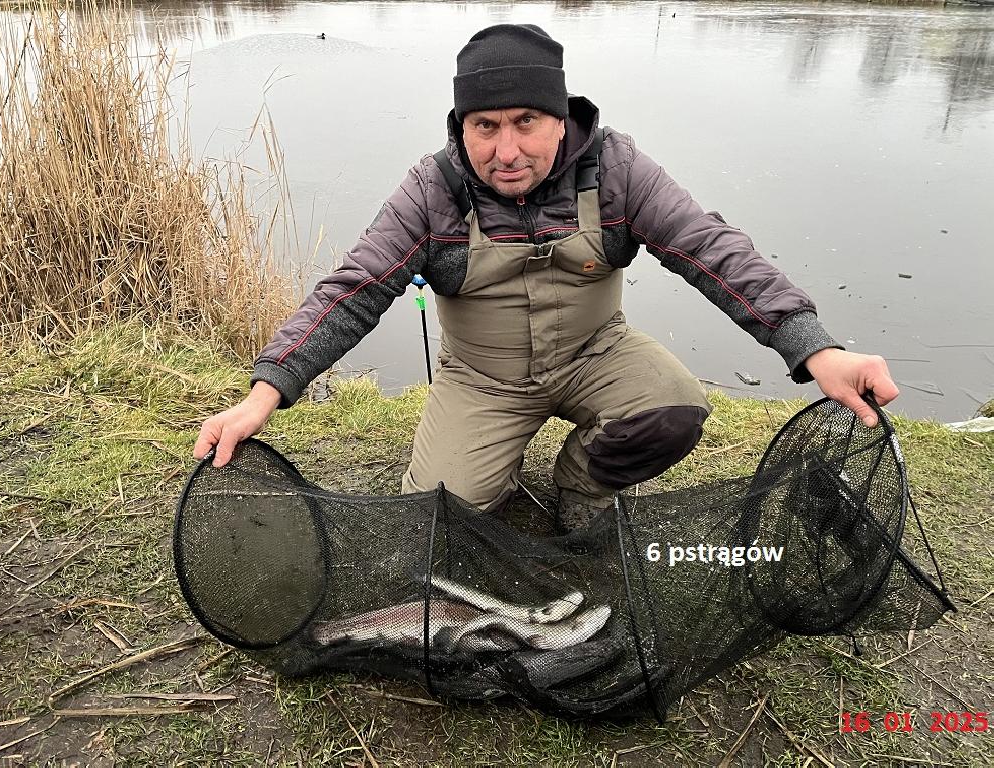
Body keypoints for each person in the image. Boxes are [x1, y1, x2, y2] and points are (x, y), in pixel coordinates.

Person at [193, 23, 899, 532]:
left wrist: (813, 347)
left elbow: (710, 250)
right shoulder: (432, 190)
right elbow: (354, 290)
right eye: (485, 126)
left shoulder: (617, 169)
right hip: (483, 378)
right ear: (461, 127)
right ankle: (489, 471)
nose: (505, 150)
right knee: (444, 516)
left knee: (675, 408)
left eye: (526, 121)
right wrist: (267, 392)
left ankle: (582, 484)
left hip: (597, 352)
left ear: (561, 118)